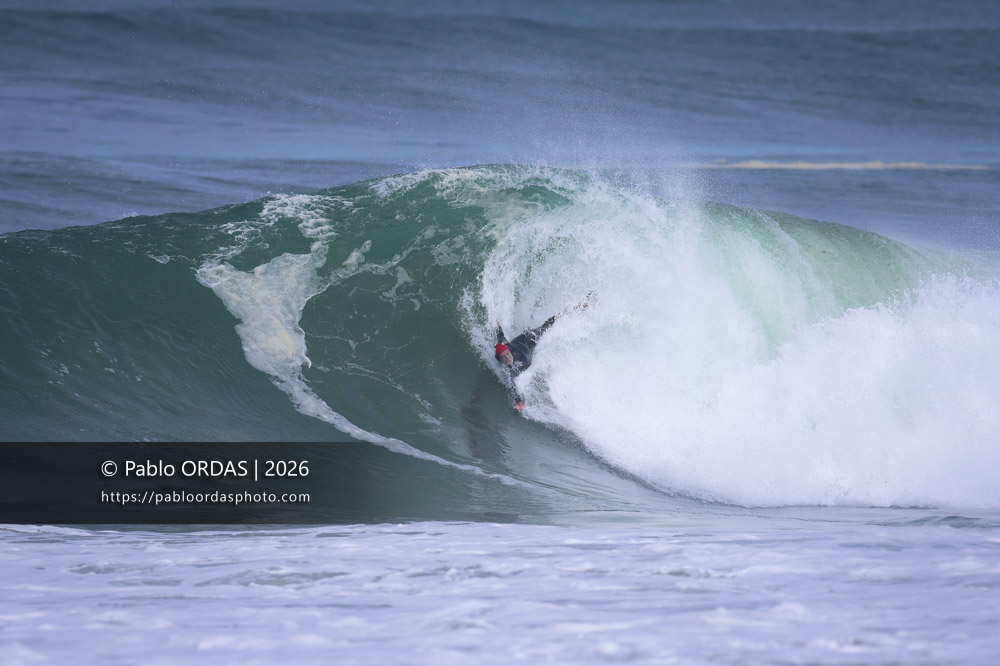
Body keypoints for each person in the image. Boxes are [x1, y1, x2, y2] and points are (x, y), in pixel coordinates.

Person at [494, 296, 590, 410]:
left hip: (527, 339)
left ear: (508, 350)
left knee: (548, 324)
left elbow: (500, 336)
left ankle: (579, 307)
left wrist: (498, 325)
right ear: (501, 361)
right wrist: (519, 402)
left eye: (507, 354)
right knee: (545, 325)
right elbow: (512, 386)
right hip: (529, 348)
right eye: (504, 358)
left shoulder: (505, 345)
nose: (507, 357)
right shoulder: (509, 371)